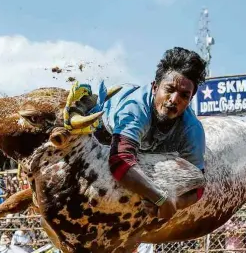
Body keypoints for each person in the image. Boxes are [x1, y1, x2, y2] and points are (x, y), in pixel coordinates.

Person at [79, 47, 207, 220]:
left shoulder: (192, 130)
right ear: (155, 87)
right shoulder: (135, 108)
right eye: (169, 89)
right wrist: (161, 198)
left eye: (184, 95)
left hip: (146, 142)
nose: (174, 99)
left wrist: (176, 202)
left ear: (190, 100)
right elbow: (120, 161)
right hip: (104, 129)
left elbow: (198, 186)